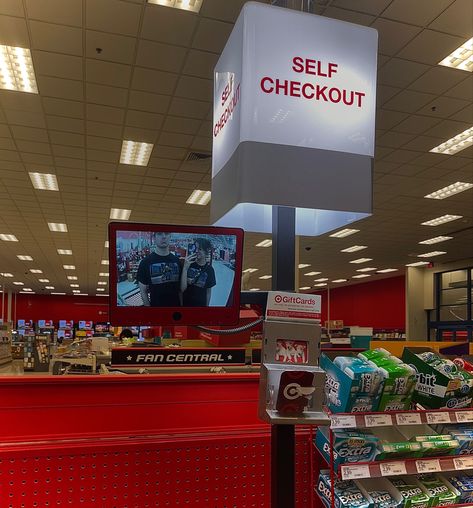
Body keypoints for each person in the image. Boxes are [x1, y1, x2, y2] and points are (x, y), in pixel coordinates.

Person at [136, 232, 181, 306]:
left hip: (175, 311)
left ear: (170, 237)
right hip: (156, 312)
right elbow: (143, 291)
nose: (164, 237)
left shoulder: (177, 261)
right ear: (154, 238)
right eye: (159, 233)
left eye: (166, 234)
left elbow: (180, 290)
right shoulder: (145, 262)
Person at [181, 238, 216, 306]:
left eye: (200, 249)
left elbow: (208, 292)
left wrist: (206, 307)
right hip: (186, 305)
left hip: (200, 306)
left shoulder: (210, 270)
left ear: (206, 251)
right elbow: (182, 289)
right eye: (195, 248)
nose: (196, 251)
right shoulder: (189, 265)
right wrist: (185, 268)